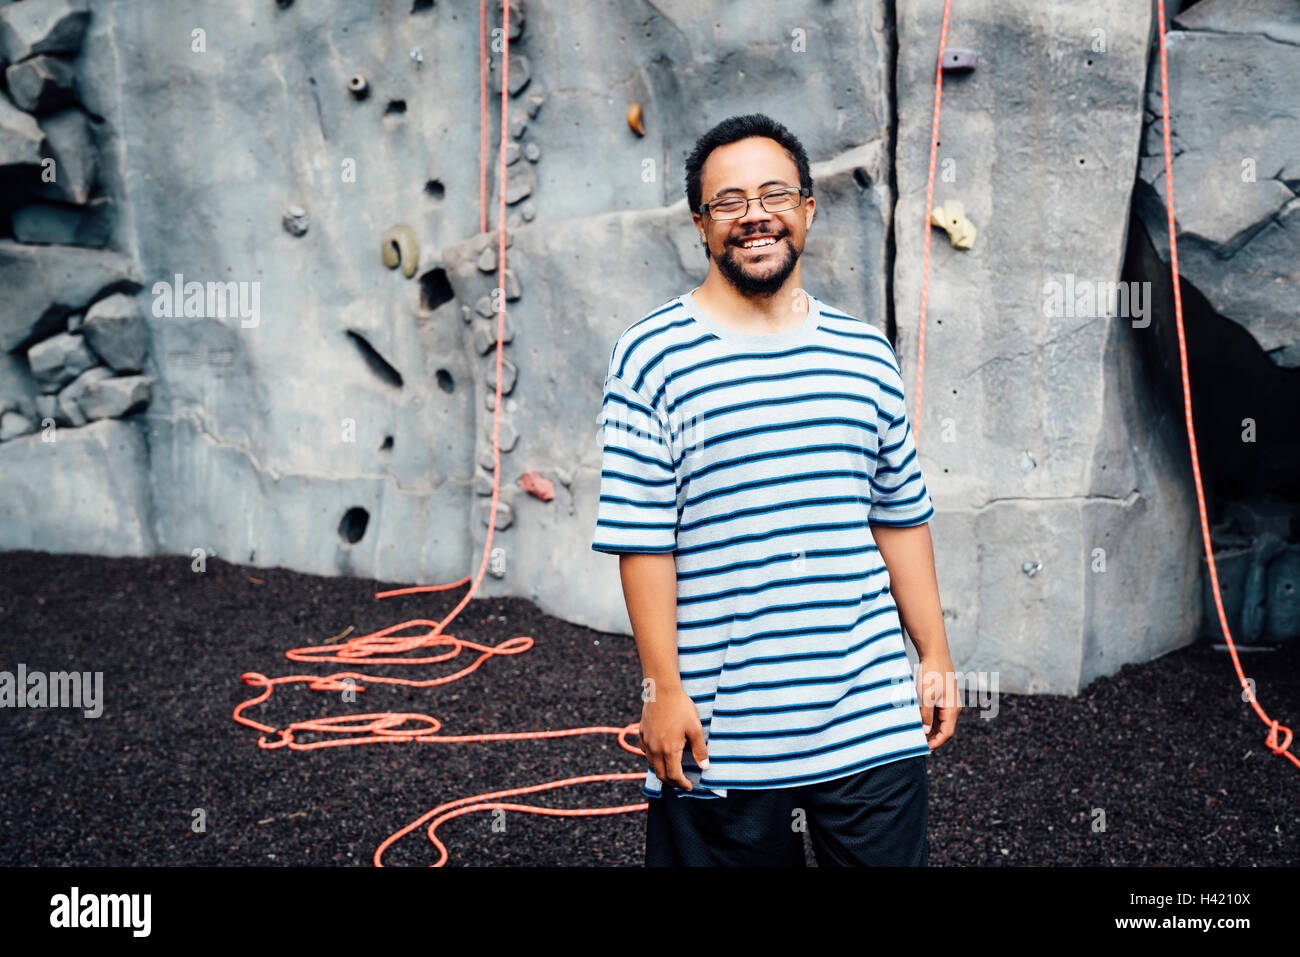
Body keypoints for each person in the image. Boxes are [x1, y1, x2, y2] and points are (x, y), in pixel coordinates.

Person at [591, 113, 960, 866]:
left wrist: (935, 652)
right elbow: (642, 539)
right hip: (720, 731)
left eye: (773, 194)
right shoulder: (650, 357)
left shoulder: (866, 355)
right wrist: (662, 688)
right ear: (700, 226)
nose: (754, 214)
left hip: (870, 716)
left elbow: (899, 516)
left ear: (807, 210)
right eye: (727, 201)